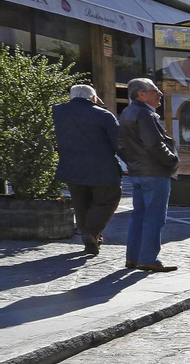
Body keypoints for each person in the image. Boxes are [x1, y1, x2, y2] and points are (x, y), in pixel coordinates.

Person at [52, 84, 122, 257]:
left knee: (81, 204)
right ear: (94, 98)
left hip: (71, 167)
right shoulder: (103, 115)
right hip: (103, 169)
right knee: (107, 201)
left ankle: (91, 239)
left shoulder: (58, 111)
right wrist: (132, 162)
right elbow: (118, 142)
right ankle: (91, 233)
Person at [117, 77, 179, 272]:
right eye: (155, 91)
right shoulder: (145, 114)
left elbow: (121, 145)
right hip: (154, 172)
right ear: (141, 95)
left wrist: (132, 163)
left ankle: (133, 257)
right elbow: (154, 144)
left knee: (139, 216)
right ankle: (148, 258)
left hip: (139, 172)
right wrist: (172, 160)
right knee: (154, 217)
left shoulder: (128, 112)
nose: (160, 94)